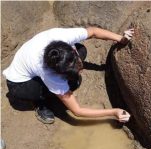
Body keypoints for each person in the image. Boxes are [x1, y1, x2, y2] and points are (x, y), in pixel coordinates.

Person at [2, 27, 133, 124]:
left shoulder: (63, 36)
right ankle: (40, 104)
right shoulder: (48, 73)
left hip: (33, 62)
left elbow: (93, 32)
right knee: (39, 92)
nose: (80, 70)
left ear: (71, 49)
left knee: (82, 50)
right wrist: (113, 112)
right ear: (58, 72)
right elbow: (77, 111)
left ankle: (59, 87)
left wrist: (121, 38)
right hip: (19, 83)